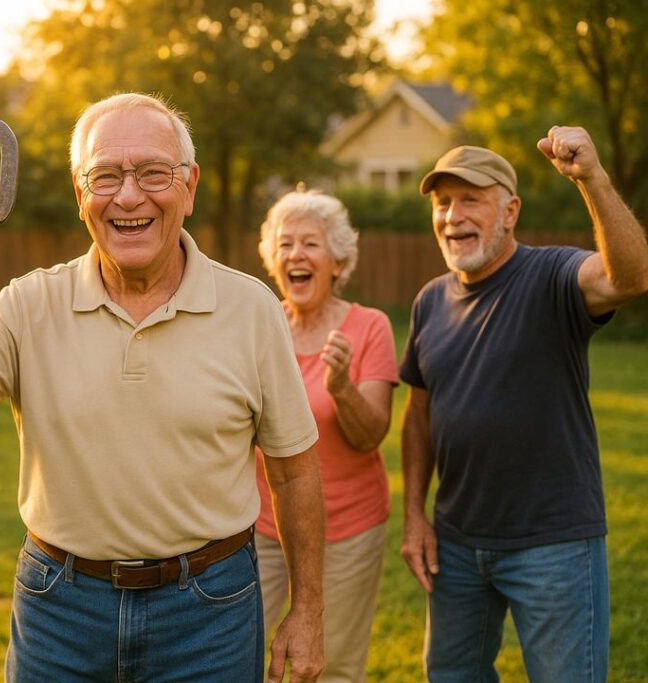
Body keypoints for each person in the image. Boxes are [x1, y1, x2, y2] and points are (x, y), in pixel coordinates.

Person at [0, 93, 326, 682]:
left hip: (210, 612)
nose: (129, 195)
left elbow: (294, 472)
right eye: (106, 175)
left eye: (152, 173)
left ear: (188, 187)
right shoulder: (27, 305)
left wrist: (309, 610)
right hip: (60, 608)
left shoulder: (252, 310)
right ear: (79, 193)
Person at [399, 127, 648, 682]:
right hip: (458, 544)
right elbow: (418, 416)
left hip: (553, 544)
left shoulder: (552, 275)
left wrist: (592, 179)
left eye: (471, 199)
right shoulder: (429, 301)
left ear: (509, 210)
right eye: (442, 203)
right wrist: (415, 514)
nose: (452, 215)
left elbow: (630, 277)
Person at [254, 187, 397, 683]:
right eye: (286, 244)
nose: (297, 254)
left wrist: (341, 387)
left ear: (337, 261)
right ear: (273, 260)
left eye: (311, 244)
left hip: (348, 530)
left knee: (330, 668)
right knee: (253, 661)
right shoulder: (256, 324)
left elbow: (371, 434)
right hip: (264, 528)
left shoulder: (369, 328)